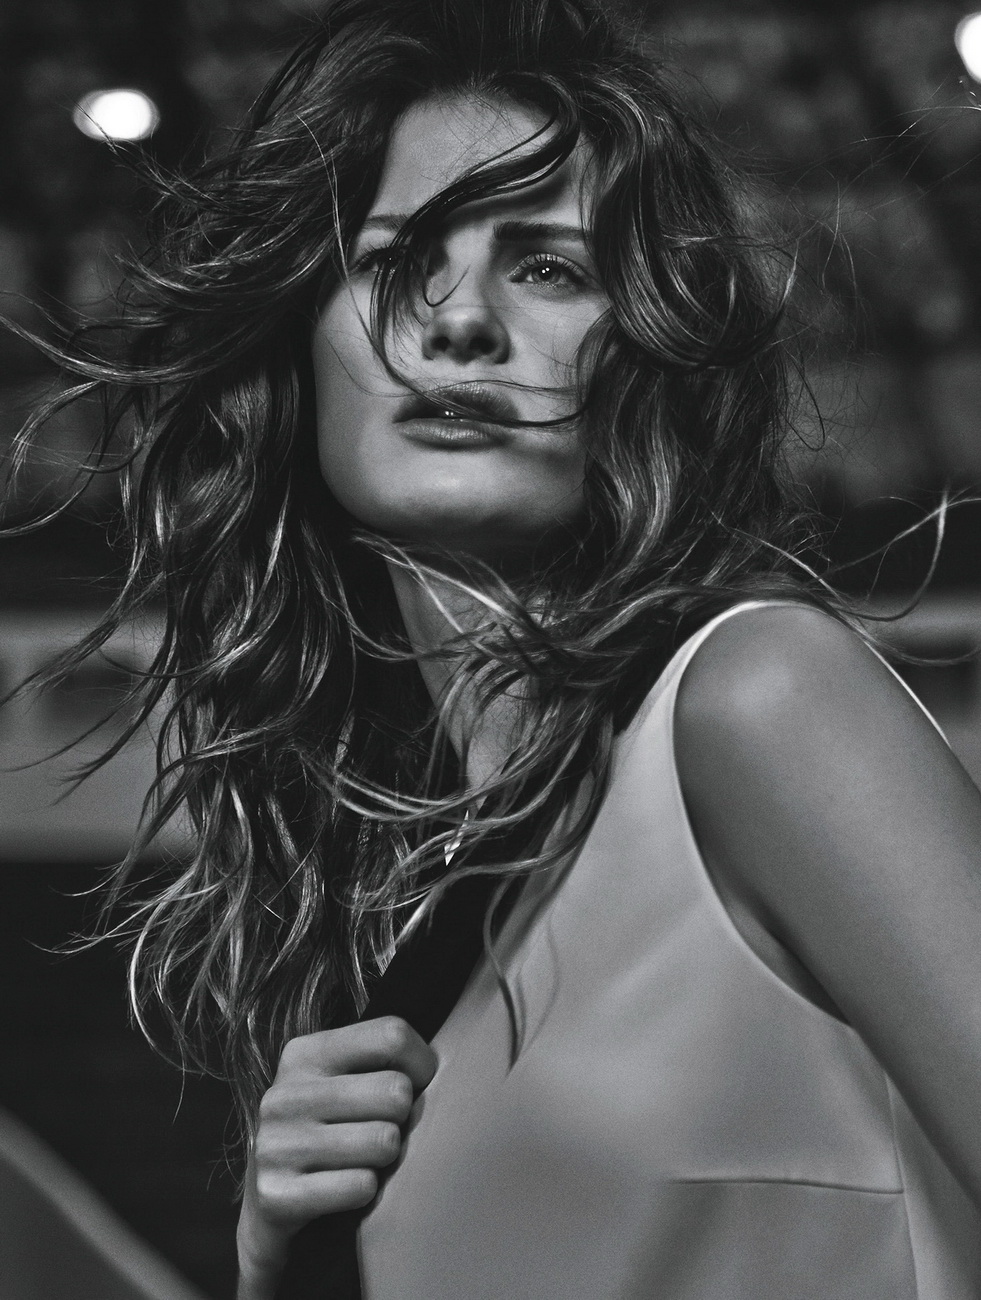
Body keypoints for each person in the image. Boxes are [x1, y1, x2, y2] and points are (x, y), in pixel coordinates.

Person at [13, 0, 981, 1296]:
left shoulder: (756, 697)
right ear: (299, 347)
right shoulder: (409, 915)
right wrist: (287, 1268)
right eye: (395, 261)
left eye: (549, 269)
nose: (461, 320)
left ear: (641, 351)